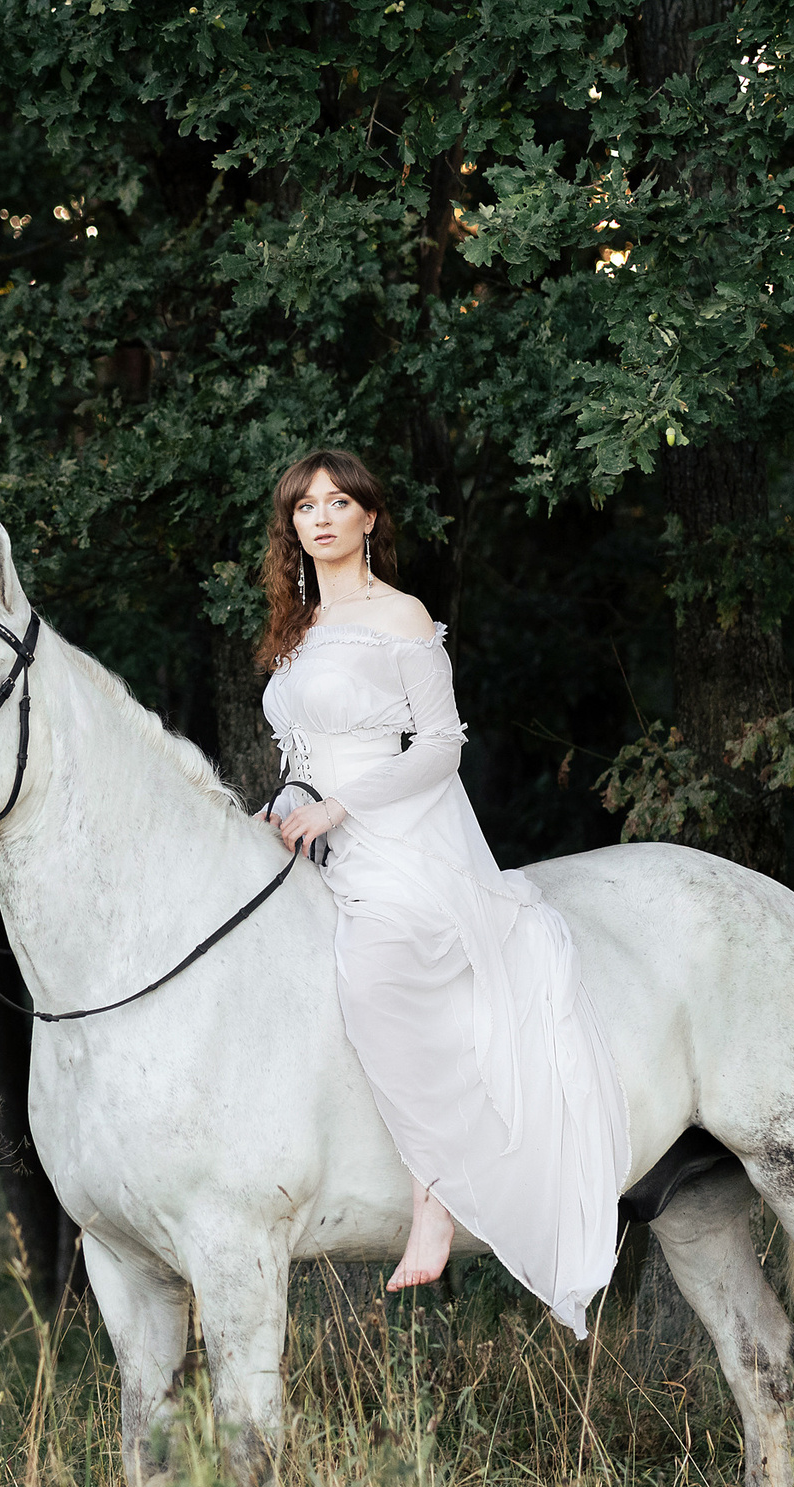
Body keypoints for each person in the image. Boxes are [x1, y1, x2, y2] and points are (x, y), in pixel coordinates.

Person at [253, 449, 631, 1337]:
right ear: (293, 527)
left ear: (369, 519)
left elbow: (442, 747)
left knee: (380, 973)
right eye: (306, 506)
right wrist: (292, 799)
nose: (322, 517)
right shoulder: (296, 624)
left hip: (396, 832)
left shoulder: (403, 615)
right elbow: (300, 746)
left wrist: (345, 801)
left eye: (340, 502)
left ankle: (435, 1195)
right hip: (311, 828)